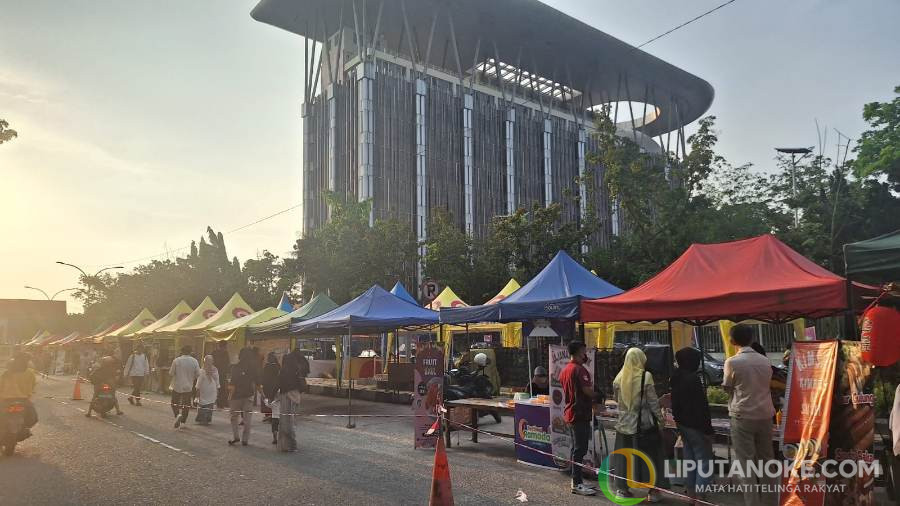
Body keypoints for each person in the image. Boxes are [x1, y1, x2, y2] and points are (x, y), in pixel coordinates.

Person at [724, 325, 775, 506]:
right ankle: (770, 502)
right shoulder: (764, 360)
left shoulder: (732, 362)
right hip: (765, 414)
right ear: (752, 339)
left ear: (732, 341)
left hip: (742, 415)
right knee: (767, 461)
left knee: (746, 464)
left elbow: (727, 387)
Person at [611, 347, 667, 502]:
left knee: (624, 458)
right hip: (644, 426)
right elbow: (653, 403)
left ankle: (622, 490)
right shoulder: (646, 376)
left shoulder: (619, 378)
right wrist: (661, 421)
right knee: (651, 457)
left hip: (623, 425)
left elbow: (617, 400)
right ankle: (653, 492)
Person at [671, 347, 714, 501]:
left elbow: (674, 403)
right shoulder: (693, 379)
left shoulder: (675, 377)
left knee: (690, 459)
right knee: (703, 461)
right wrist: (708, 430)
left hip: (682, 424)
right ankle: (701, 498)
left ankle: (691, 496)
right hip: (696, 425)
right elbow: (701, 406)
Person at [559, 341, 597, 497]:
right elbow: (587, 391)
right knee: (579, 449)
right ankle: (577, 483)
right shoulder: (579, 370)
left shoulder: (565, 369)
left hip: (571, 412)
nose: (585, 354)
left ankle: (577, 479)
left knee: (576, 448)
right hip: (579, 414)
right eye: (583, 351)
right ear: (578, 352)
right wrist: (599, 396)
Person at [277, 347, 310, 452]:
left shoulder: (285, 369)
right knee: (290, 421)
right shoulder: (298, 366)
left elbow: (279, 382)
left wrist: (271, 395)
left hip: (286, 395)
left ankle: (287, 445)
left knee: (285, 421)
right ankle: (288, 445)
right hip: (295, 395)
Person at [0, 353, 38, 438]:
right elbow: (32, 385)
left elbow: (1, 386)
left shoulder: (6, 373)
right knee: (33, 417)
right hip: (23, 400)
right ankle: (24, 429)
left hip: (5, 400)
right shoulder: (30, 373)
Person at [228, 348, 259, 446]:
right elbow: (258, 383)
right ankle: (245, 439)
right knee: (247, 419)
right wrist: (263, 395)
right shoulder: (253, 368)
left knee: (234, 417)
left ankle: (236, 437)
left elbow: (232, 385)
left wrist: (229, 396)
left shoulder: (235, 367)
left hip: (236, 396)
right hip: (249, 396)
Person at [170, 346, 200, 429]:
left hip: (177, 385)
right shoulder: (195, 361)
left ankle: (177, 415)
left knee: (174, 402)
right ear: (190, 352)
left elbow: (171, 373)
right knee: (186, 405)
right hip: (188, 386)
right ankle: (183, 422)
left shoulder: (176, 360)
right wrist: (191, 377)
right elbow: (198, 374)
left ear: (181, 351)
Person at [194, 355, 219, 425]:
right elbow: (199, 382)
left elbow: (217, 380)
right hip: (205, 390)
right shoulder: (202, 371)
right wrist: (197, 391)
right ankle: (204, 419)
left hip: (211, 391)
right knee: (203, 404)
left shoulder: (215, 370)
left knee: (208, 404)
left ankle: (205, 419)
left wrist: (217, 389)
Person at [261, 352, 281, 423]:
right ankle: (272, 415)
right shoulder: (277, 366)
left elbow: (263, 376)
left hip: (267, 385)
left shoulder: (267, 365)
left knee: (267, 400)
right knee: (273, 400)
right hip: (274, 386)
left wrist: (262, 384)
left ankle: (268, 415)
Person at [212, 341, 231, 409]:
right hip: (221, 374)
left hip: (215, 373)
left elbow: (211, 362)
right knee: (222, 388)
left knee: (215, 388)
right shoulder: (225, 353)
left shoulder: (214, 352)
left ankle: (215, 403)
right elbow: (228, 363)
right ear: (224, 346)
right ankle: (220, 403)